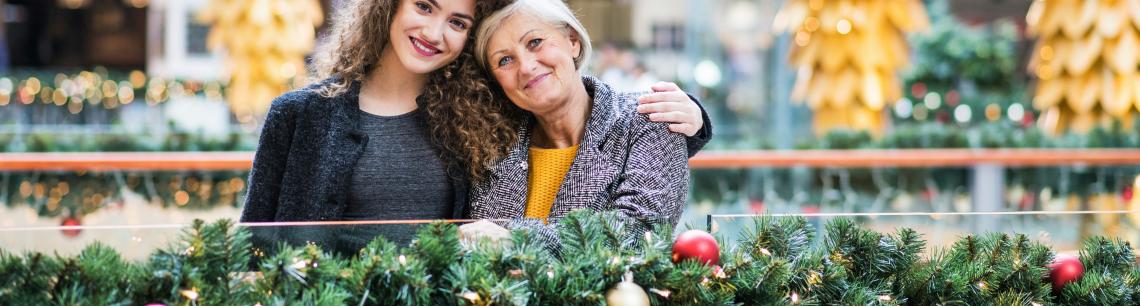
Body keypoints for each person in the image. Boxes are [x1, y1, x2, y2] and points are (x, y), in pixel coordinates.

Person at [239, 0, 711, 256]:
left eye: (458, 21)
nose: (434, 32)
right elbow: (251, 241)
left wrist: (693, 119)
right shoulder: (298, 115)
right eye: (423, 6)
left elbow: (588, 123)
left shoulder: (478, 119)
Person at [460, 0, 691, 252]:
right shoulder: (491, 144)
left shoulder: (650, 118)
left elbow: (640, 233)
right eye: (505, 60)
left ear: (572, 41)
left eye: (535, 42)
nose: (525, 67)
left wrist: (516, 239)